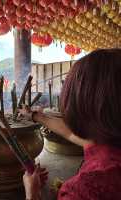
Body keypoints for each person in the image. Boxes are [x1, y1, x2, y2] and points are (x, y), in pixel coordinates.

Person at [19, 49, 121, 200]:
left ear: (81, 103)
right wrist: (35, 116)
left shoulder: (85, 188)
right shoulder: (110, 143)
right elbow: (70, 133)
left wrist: (32, 193)